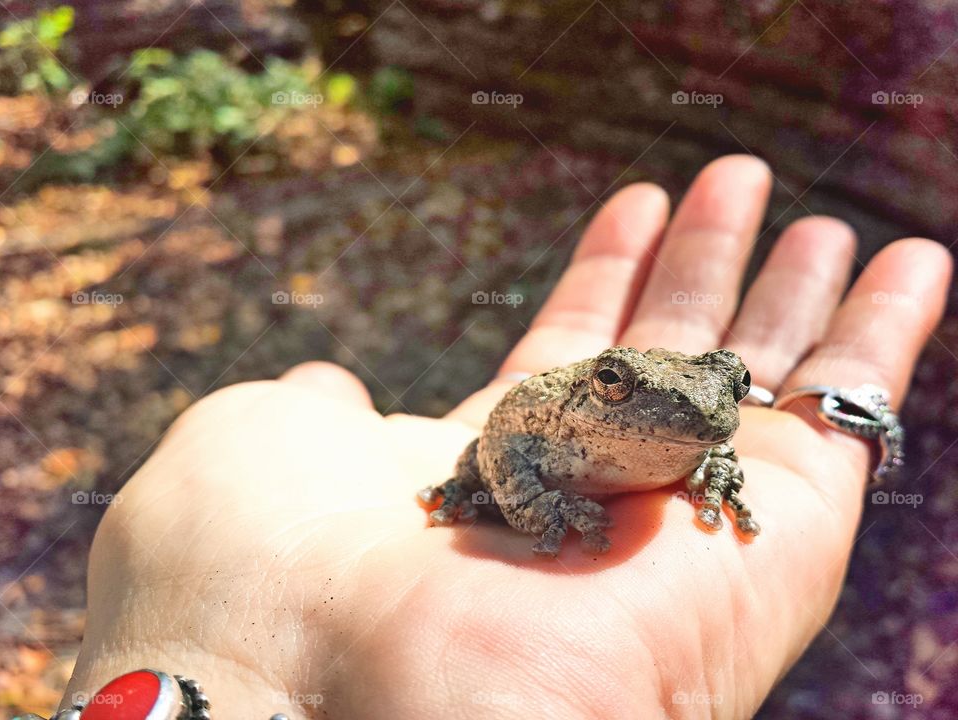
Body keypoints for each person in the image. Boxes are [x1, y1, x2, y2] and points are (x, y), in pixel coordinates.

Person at [60, 156, 952, 719]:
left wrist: (712, 459)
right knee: (475, 475)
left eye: (727, 389)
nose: (689, 411)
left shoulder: (700, 420)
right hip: (511, 454)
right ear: (601, 389)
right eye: (620, 388)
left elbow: (707, 423)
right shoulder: (556, 413)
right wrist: (540, 505)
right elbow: (506, 448)